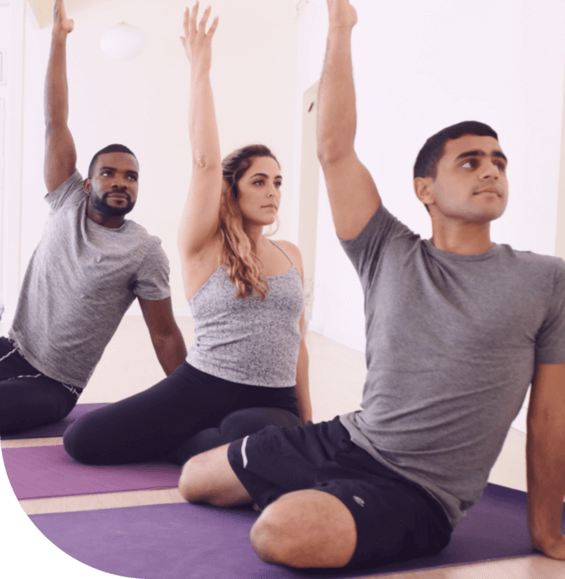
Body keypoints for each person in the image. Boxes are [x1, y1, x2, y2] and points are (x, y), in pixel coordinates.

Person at [175, 0, 565, 570]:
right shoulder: (388, 250)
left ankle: (326, 506)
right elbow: (334, 151)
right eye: (471, 161)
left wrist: (544, 530)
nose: (491, 171)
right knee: (194, 478)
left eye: (499, 163)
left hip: (416, 490)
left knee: (279, 534)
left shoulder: (545, 279)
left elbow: (550, 415)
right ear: (424, 189)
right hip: (348, 439)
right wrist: (338, 28)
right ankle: (322, 494)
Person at [62, 3, 311, 466]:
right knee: (83, 441)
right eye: (259, 181)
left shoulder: (292, 254)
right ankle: (200, 444)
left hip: (274, 402)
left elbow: (299, 348)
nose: (273, 191)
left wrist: (309, 429)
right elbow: (205, 161)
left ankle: (206, 443)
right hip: (201, 384)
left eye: (278, 182)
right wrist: (201, 70)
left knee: (245, 431)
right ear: (231, 190)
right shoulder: (204, 245)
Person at [0, 0, 187, 435]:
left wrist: (188, 405)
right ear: (87, 183)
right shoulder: (67, 199)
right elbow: (54, 119)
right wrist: (58, 40)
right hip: (12, 348)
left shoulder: (144, 251)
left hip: (53, 384)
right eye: (109, 173)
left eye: (131, 177)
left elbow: (163, 335)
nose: (121, 182)